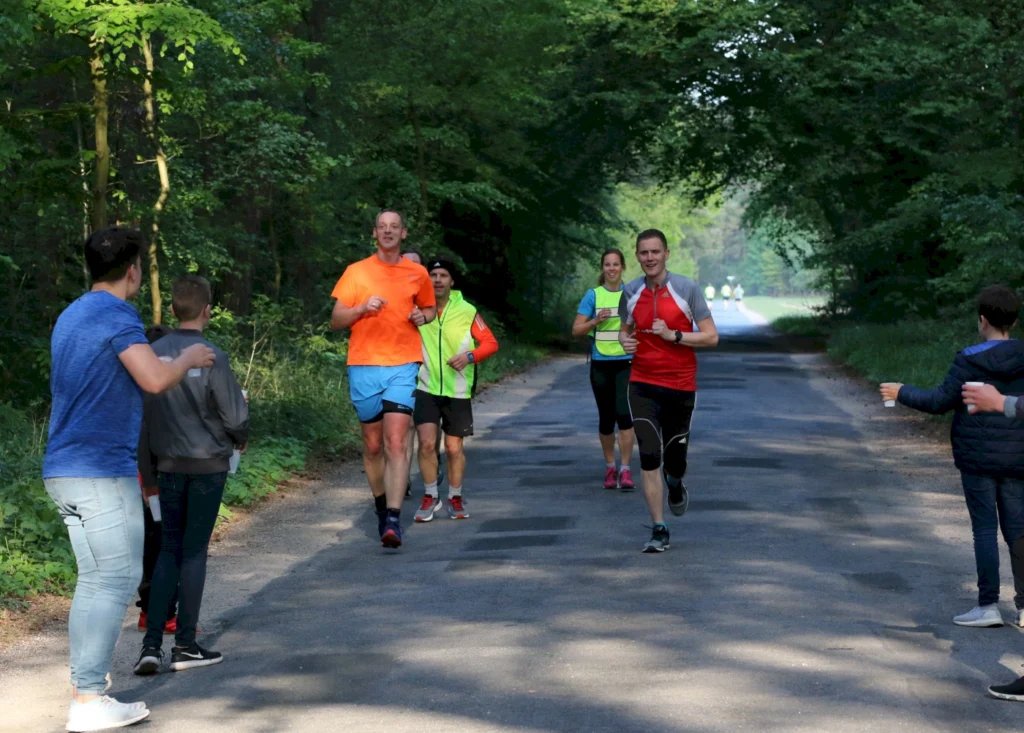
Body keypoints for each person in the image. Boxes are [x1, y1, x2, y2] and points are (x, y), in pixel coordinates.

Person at [43, 226, 215, 732]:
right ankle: (91, 699)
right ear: (133, 269)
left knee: (94, 581)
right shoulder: (118, 314)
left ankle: (85, 692)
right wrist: (187, 355)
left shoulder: (71, 314)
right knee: (114, 580)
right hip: (101, 469)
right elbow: (154, 379)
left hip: (64, 469)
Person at [880, 285, 1024, 629]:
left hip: (976, 458)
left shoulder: (969, 358)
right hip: (1018, 458)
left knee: (985, 530)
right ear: (1015, 322)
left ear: (982, 320)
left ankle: (988, 605)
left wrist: (901, 392)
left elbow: (939, 402)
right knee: (1019, 530)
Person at [134, 276, 249, 676]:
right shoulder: (211, 354)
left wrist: (148, 468)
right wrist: (240, 437)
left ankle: (150, 646)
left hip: (166, 464)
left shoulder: (151, 353)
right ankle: (185, 644)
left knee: (168, 549)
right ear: (207, 311)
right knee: (194, 550)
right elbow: (235, 415)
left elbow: (144, 418)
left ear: (173, 309)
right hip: (207, 465)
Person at [331, 209, 436, 548]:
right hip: (363, 365)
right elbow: (336, 320)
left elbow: (429, 309)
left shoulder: (417, 272)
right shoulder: (356, 272)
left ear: (403, 233)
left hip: (403, 363)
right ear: (374, 233)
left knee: (396, 441)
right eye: (382, 227)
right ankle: (381, 506)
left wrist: (423, 315)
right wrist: (361, 309)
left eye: (394, 227)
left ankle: (393, 518)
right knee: (373, 445)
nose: (388, 232)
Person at [618, 229, 718, 552]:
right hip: (642, 383)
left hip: (679, 384)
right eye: (644, 253)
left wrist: (675, 335)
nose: (649, 258)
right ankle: (659, 528)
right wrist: (624, 340)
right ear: (637, 256)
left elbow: (711, 336)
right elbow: (624, 330)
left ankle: (674, 484)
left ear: (666, 253)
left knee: (674, 460)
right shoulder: (630, 291)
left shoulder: (686, 289)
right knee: (649, 454)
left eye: (655, 252)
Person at [413, 258, 499, 522]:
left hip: (457, 388)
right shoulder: (417, 309)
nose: (437, 280)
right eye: (433, 275)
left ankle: (455, 497)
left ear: (452, 281)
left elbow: (490, 343)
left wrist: (469, 356)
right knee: (427, 444)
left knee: (452, 448)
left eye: (443, 275)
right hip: (425, 385)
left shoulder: (467, 310)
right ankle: (430, 496)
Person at [571, 248, 636, 491]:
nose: (611, 269)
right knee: (606, 418)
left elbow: (642, 326)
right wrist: (595, 321)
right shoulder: (593, 295)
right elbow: (576, 330)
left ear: (622, 267)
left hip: (626, 362)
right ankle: (611, 467)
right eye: (607, 265)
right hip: (600, 363)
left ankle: (626, 470)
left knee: (625, 415)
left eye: (616, 264)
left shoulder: (632, 294)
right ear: (603, 268)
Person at [136, 324, 180, 635]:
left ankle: (150, 611)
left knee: (151, 542)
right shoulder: (155, 390)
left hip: (143, 476)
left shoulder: (137, 384)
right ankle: (163, 616)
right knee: (165, 543)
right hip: (154, 478)